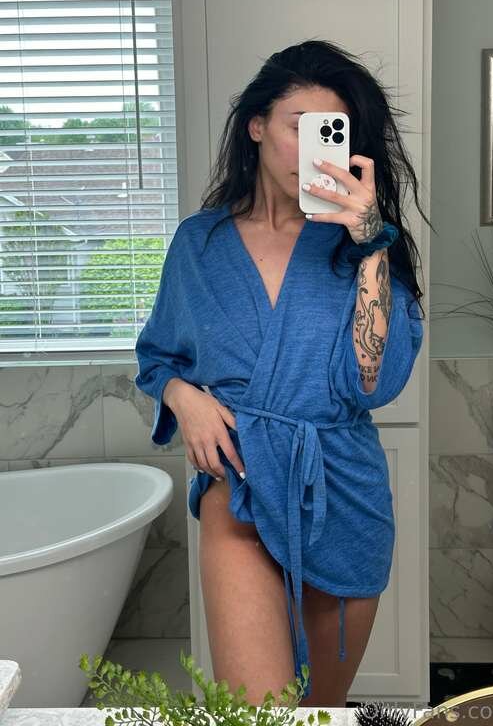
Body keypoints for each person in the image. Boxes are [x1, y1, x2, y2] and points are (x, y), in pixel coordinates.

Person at [134, 39, 430, 707]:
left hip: (342, 488)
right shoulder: (199, 243)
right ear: (257, 126)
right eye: (301, 126)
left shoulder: (360, 246)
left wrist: (371, 243)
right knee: (260, 715)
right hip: (238, 481)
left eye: (332, 131)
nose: (314, 147)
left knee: (318, 712)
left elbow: (370, 381)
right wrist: (183, 397)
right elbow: (158, 356)